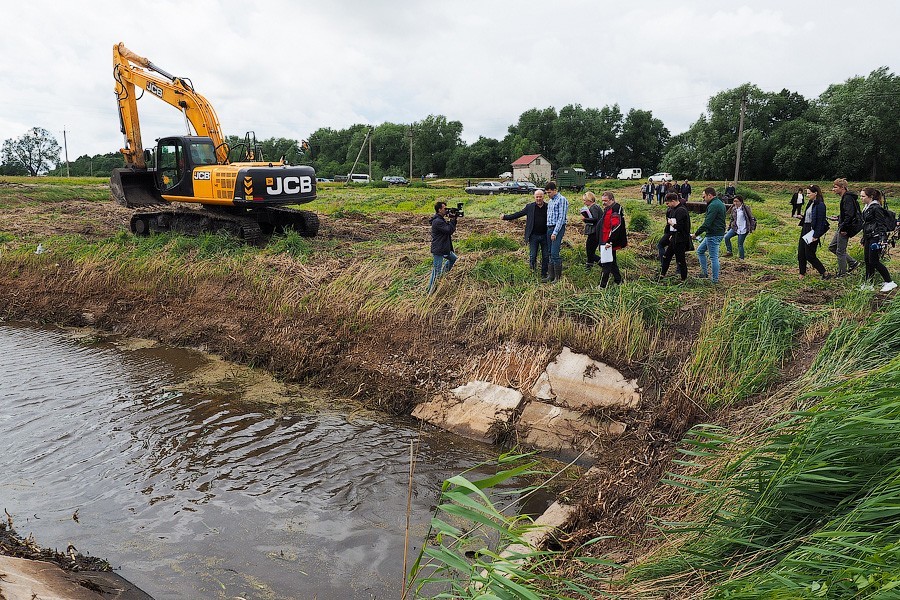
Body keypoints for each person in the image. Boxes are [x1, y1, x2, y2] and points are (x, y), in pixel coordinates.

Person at [502, 189, 549, 279]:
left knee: (546, 256)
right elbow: (519, 214)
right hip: (533, 236)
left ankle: (544, 274)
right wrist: (506, 217)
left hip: (545, 235)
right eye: (537, 197)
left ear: (544, 197)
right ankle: (532, 273)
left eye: (540, 196)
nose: (539, 198)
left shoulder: (548, 207)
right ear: (534, 197)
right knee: (532, 255)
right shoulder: (530, 207)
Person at [858, 187, 897, 292]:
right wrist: (864, 237)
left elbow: (881, 224)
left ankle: (889, 282)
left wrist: (883, 239)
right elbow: (867, 224)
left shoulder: (876, 208)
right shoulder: (867, 207)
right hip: (868, 237)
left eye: (863, 196)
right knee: (867, 261)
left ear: (870, 197)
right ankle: (869, 283)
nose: (861, 198)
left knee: (874, 261)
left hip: (876, 237)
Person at [828, 178, 862, 277]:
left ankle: (842, 273)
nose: (833, 189)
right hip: (842, 225)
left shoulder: (847, 198)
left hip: (845, 228)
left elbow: (850, 215)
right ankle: (853, 263)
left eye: (835, 187)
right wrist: (839, 217)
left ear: (842, 187)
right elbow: (847, 213)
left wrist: (844, 229)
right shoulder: (846, 198)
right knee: (832, 247)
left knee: (840, 251)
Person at [694, 187, 726, 283]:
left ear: (710, 195)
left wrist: (696, 234)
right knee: (700, 251)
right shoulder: (719, 203)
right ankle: (704, 273)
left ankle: (715, 280)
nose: (703, 199)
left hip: (713, 234)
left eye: (704, 197)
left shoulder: (713, 205)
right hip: (715, 233)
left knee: (713, 257)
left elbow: (707, 223)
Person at [797, 184, 830, 279]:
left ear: (815, 193)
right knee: (801, 252)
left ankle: (824, 272)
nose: (807, 195)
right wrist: (802, 217)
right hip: (805, 228)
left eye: (809, 193)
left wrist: (816, 235)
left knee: (809, 254)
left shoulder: (820, 205)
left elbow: (820, 221)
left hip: (812, 230)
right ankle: (802, 273)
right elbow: (809, 216)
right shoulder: (810, 203)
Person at [597, 191, 627, 288]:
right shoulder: (608, 208)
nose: (603, 203)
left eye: (606, 201)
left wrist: (610, 241)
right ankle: (618, 281)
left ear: (612, 200)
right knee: (612, 261)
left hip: (609, 241)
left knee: (606, 263)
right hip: (604, 239)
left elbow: (616, 226)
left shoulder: (615, 209)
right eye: (602, 201)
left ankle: (602, 286)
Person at [427, 201, 458, 293]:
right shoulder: (437, 221)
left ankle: (442, 276)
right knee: (436, 271)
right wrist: (452, 220)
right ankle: (430, 292)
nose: (446, 210)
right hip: (439, 249)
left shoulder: (440, 219)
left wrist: (453, 219)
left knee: (453, 258)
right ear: (439, 210)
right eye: (445, 208)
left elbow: (448, 228)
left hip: (444, 248)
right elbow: (449, 230)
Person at [660, 192, 691, 281]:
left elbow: (680, 227)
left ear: (673, 201)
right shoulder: (674, 210)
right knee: (666, 256)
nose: (667, 205)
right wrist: (671, 235)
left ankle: (683, 279)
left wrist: (671, 224)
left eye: (668, 203)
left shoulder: (681, 210)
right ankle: (662, 275)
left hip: (681, 240)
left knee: (680, 260)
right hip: (675, 238)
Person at [544, 181, 569, 282]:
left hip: (557, 228)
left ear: (555, 190)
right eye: (546, 193)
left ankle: (557, 277)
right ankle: (551, 275)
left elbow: (561, 218)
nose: (548, 194)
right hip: (549, 227)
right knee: (550, 252)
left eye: (549, 192)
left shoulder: (561, 200)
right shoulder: (550, 201)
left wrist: (555, 232)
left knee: (554, 252)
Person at [580, 191, 604, 268]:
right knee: (590, 251)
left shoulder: (594, 207)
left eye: (584, 200)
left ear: (589, 200)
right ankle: (589, 267)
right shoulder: (595, 207)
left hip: (594, 232)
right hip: (595, 232)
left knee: (590, 252)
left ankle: (603, 264)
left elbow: (595, 219)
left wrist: (585, 219)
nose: (584, 202)